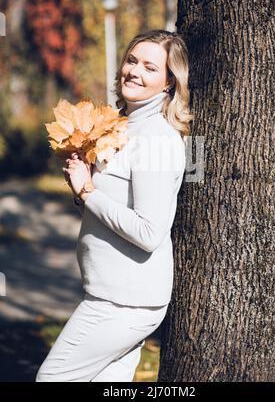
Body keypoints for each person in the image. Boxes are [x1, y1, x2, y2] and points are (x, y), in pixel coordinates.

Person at [35, 29, 194, 382]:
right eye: (132, 60)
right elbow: (109, 215)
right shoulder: (125, 128)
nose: (134, 71)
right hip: (114, 293)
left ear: (169, 82)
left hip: (124, 302)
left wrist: (89, 192)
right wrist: (82, 193)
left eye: (151, 68)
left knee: (52, 379)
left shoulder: (157, 139)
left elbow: (149, 232)